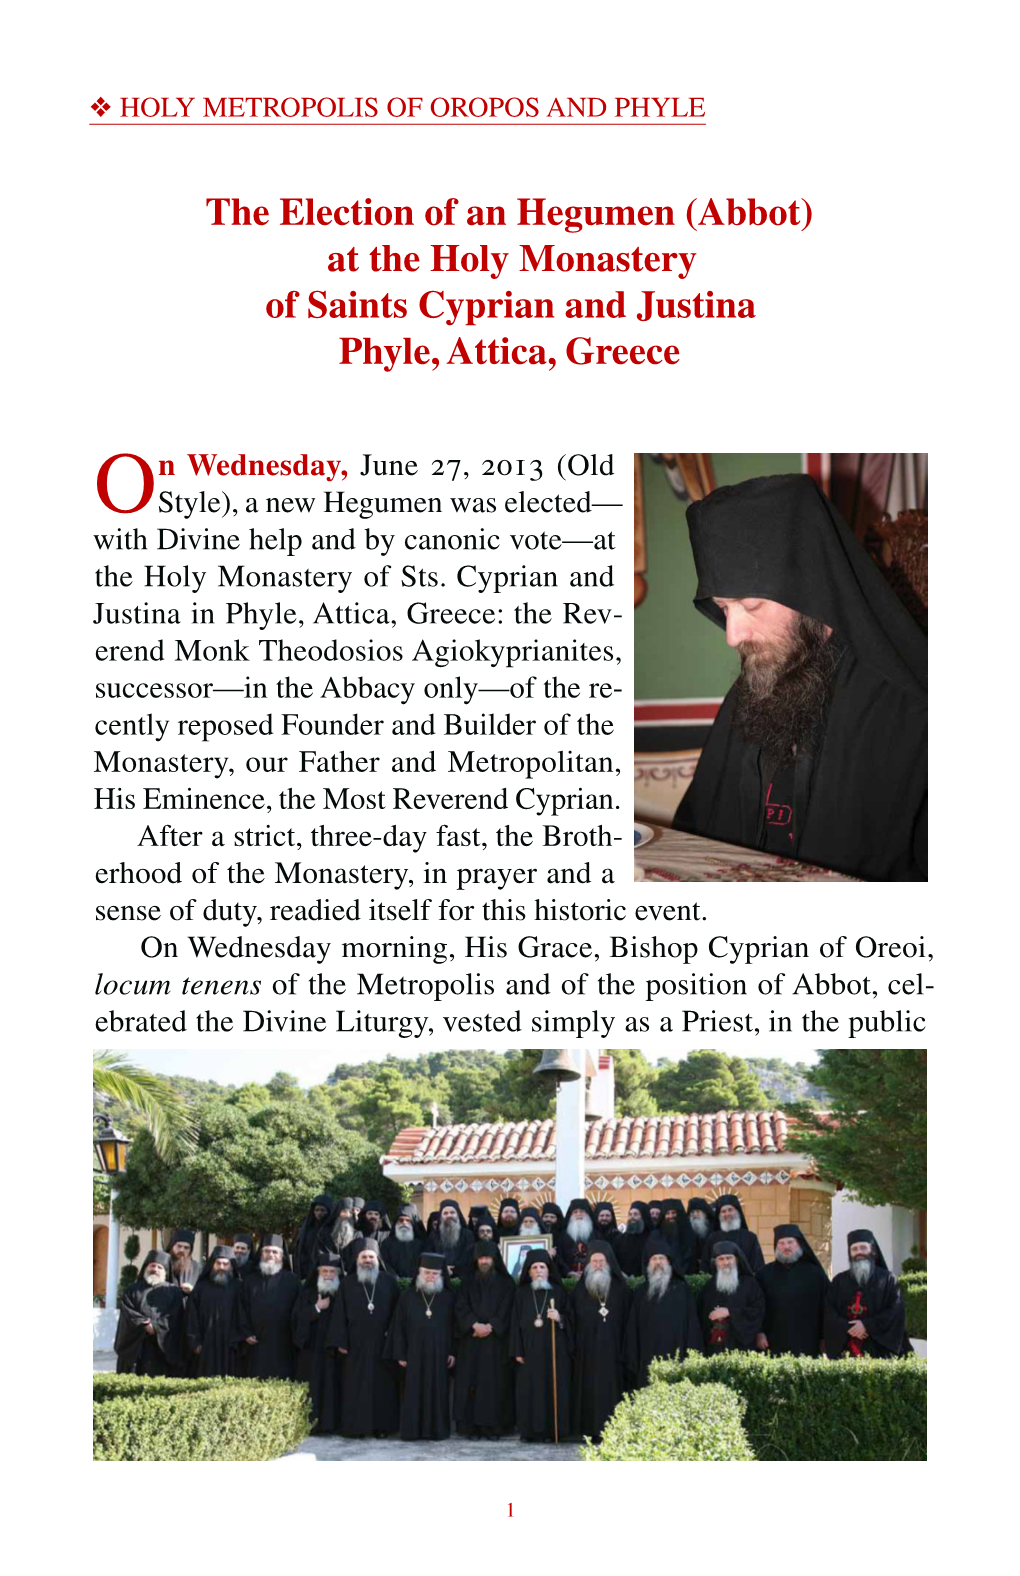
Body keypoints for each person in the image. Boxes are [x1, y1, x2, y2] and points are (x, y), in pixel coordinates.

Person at [671, 473, 927, 881]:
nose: (732, 635)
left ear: (811, 589)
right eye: (724, 608)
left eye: (749, 604)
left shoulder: (912, 711)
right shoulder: (756, 687)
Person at [328, 1239, 401, 1438]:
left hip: (383, 1344)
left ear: (377, 1259)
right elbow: (339, 1314)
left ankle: (382, 1427)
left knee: (382, 1386)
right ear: (357, 1259)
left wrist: (394, 1339)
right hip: (355, 1344)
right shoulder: (347, 1283)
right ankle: (356, 1427)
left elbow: (398, 1314)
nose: (368, 1260)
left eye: (371, 1256)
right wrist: (341, 1341)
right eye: (364, 1257)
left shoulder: (390, 1281)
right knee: (355, 1386)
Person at [386, 1252, 456, 1441]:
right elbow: (398, 1327)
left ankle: (437, 1431)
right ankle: (413, 1431)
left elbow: (454, 1328)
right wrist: (400, 1353)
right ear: (419, 1273)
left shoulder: (448, 1297)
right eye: (427, 1273)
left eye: (435, 1273)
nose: (431, 1277)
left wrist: (452, 1351)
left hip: (439, 1353)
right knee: (413, 1392)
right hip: (413, 1353)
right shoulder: (407, 1296)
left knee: (438, 1392)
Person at [569, 1240, 631, 1444]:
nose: (597, 1265)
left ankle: (614, 1429)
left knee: (612, 1389)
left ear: (608, 1263)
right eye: (593, 1261)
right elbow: (571, 1320)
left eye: (601, 1261)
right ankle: (589, 1429)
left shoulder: (622, 1290)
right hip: (587, 1351)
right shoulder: (579, 1291)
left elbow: (630, 1321)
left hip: (614, 1351)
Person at [454, 1241, 516, 1438]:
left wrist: (491, 1327)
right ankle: (470, 1427)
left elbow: (508, 1309)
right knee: (470, 1384)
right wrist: (474, 1325)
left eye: (488, 1258)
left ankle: (494, 1427)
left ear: (495, 1259)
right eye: (481, 1258)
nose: (484, 1261)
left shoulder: (507, 1283)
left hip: (496, 1344)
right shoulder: (466, 1282)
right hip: (471, 1342)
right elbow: (460, 1307)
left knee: (495, 1385)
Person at [510, 1248, 573, 1443]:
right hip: (528, 1351)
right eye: (534, 1267)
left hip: (554, 1351)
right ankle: (530, 1432)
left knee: (552, 1389)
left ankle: (553, 1431)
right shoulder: (520, 1293)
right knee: (529, 1391)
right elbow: (514, 1323)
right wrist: (517, 1350)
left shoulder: (559, 1292)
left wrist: (560, 1318)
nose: (538, 1270)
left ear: (548, 1270)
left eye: (542, 1267)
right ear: (528, 1271)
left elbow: (572, 1321)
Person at [625, 1241, 703, 1387]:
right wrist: (633, 1358)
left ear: (669, 1262)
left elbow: (692, 1324)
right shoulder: (640, 1292)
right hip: (647, 1355)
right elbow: (632, 1328)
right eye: (654, 1259)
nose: (658, 1262)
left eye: (661, 1258)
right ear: (648, 1263)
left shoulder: (682, 1290)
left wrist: (692, 1357)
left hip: (677, 1355)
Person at [824, 1230, 911, 1358]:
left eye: (863, 1247)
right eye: (854, 1249)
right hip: (846, 1349)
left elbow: (896, 1311)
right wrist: (849, 1327)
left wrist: (866, 1326)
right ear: (850, 1253)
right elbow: (829, 1311)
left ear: (873, 1251)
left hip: (879, 1350)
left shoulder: (888, 1280)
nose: (859, 1252)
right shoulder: (839, 1281)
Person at [291, 1249, 343, 1434]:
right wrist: (316, 1308)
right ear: (318, 1272)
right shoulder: (307, 1292)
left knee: (333, 1387)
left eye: (332, 1272)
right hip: (311, 1351)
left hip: (334, 1353)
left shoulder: (343, 1294)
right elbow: (296, 1318)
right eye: (325, 1271)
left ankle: (330, 1425)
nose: (328, 1275)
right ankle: (310, 1425)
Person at [756, 1225, 829, 1356]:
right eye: (781, 1243)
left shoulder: (816, 1273)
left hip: (808, 1341)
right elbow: (756, 1306)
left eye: (790, 1242)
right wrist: (759, 1332)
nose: (786, 1247)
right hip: (773, 1341)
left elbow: (826, 1306)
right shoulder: (763, 1274)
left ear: (799, 1244)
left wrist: (824, 1337)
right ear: (776, 1246)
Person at [238, 1235, 301, 1378]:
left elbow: (299, 1310)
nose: (270, 1255)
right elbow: (241, 1309)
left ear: (282, 1256)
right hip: (256, 1343)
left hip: (284, 1342)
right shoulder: (249, 1281)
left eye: (275, 1252)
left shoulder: (293, 1281)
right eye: (267, 1251)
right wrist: (246, 1332)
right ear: (261, 1254)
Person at [115, 1250, 184, 1376]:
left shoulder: (174, 1291)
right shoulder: (132, 1290)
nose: (155, 1269)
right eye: (152, 1265)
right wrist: (144, 1323)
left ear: (166, 1271)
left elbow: (176, 1315)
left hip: (163, 1347)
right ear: (146, 1267)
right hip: (137, 1344)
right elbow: (128, 1312)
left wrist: (156, 1327)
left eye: (160, 1267)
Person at [699, 1240, 766, 1353]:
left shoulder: (750, 1284)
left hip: (743, 1347)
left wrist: (730, 1312)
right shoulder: (709, 1286)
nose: (725, 1262)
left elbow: (758, 1311)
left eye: (729, 1258)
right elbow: (701, 1316)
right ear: (715, 1262)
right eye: (721, 1259)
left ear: (737, 1260)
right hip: (715, 1347)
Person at [185, 1245, 242, 1376]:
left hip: (231, 1344)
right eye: (218, 1263)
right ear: (212, 1264)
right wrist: (195, 1342)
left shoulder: (239, 1287)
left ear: (231, 1266)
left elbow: (244, 1314)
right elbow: (191, 1317)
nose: (221, 1267)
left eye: (225, 1264)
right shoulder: (200, 1288)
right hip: (206, 1344)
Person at [704, 1195, 766, 1273]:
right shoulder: (712, 1238)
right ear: (719, 1215)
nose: (727, 1214)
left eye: (730, 1210)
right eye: (723, 1211)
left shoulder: (750, 1238)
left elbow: (758, 1267)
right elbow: (705, 1267)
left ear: (737, 1212)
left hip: (745, 1283)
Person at [293, 1194, 335, 1284]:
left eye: (323, 1210)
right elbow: (299, 1253)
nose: (319, 1213)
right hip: (306, 1275)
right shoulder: (306, 1230)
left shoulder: (333, 1231)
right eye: (316, 1210)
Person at [426, 1201, 476, 1277]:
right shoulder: (433, 1236)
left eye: (452, 1212)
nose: (449, 1215)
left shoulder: (468, 1235)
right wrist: (443, 1268)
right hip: (439, 1276)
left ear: (458, 1215)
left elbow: (469, 1257)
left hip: (463, 1277)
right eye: (445, 1213)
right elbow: (429, 1256)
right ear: (441, 1216)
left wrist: (455, 1269)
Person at [650, 1198, 698, 1274]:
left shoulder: (688, 1233)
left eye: (673, 1213)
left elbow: (691, 1258)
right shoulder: (656, 1234)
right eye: (667, 1213)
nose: (670, 1216)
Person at [382, 1201, 425, 1279]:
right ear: (396, 1223)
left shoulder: (422, 1244)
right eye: (401, 1220)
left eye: (408, 1220)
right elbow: (385, 1264)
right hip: (393, 1283)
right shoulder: (387, 1243)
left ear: (413, 1223)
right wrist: (396, 1279)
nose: (404, 1223)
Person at [555, 1198, 597, 1277]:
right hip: (568, 1278)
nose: (578, 1214)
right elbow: (559, 1257)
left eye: (581, 1211)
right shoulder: (563, 1236)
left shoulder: (596, 1235)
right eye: (575, 1212)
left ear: (588, 1214)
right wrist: (568, 1272)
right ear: (571, 1215)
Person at [612, 1201, 651, 1276]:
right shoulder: (619, 1240)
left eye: (636, 1214)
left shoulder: (652, 1238)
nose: (632, 1217)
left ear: (644, 1216)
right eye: (630, 1214)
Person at [167, 1229, 202, 1295]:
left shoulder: (197, 1268)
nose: (182, 1250)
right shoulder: (162, 1264)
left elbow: (202, 1292)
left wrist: (192, 1290)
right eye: (179, 1246)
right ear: (172, 1246)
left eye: (186, 1248)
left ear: (190, 1250)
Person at [686, 1199, 718, 1269]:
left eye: (698, 1211)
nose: (694, 1215)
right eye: (692, 1212)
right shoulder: (687, 1231)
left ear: (705, 1214)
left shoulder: (714, 1229)